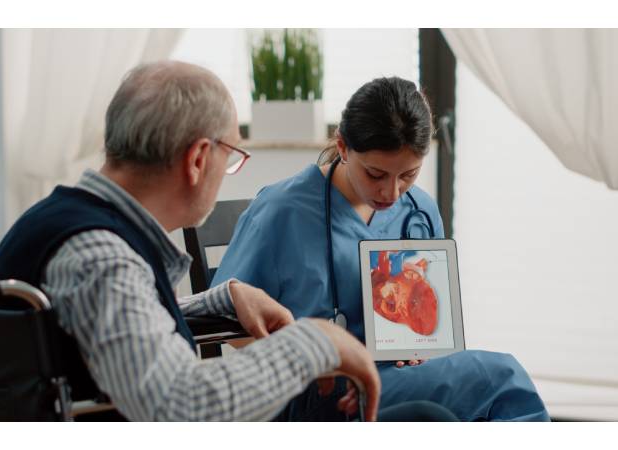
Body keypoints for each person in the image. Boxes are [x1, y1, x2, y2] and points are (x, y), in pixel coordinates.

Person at [0, 62, 456, 422]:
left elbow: (104, 331)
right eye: (232, 156)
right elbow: (180, 405)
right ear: (198, 159)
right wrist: (315, 341)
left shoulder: (72, 228)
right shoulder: (102, 257)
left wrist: (222, 299)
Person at [212, 76, 551, 421]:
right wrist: (311, 358)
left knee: (451, 414)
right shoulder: (282, 210)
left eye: (408, 175)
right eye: (376, 174)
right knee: (502, 378)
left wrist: (422, 352)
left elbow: (432, 325)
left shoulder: (420, 211)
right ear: (343, 147)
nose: (391, 192)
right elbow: (227, 322)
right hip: (317, 391)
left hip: (396, 382)